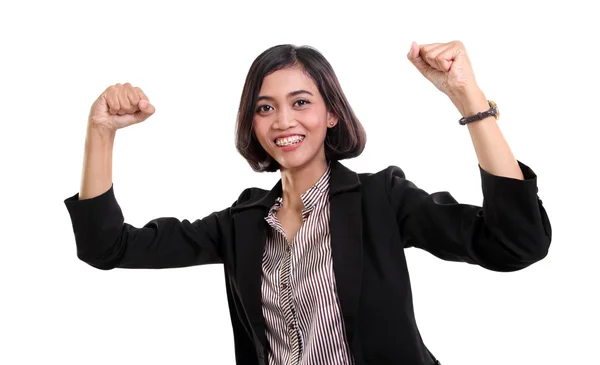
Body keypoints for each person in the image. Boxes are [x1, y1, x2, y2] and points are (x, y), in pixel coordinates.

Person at [63, 41, 552, 365]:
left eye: (301, 102)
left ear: (331, 114)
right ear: (252, 123)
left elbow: (516, 244)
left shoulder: (381, 200)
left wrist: (470, 101)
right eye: (265, 107)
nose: (282, 121)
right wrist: (101, 133)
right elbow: (106, 247)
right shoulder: (242, 224)